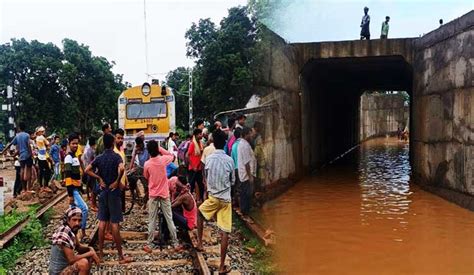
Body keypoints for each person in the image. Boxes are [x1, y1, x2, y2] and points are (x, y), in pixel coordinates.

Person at [85, 133, 132, 264]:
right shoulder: (116, 157)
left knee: (102, 222)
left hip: (103, 192)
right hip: (113, 192)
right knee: (115, 223)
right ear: (112, 143)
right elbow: (122, 168)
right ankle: (120, 256)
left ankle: (100, 254)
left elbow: (87, 170)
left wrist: (99, 178)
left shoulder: (99, 158)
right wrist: (117, 180)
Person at [197, 129, 235, 274]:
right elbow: (232, 181)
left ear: (213, 142)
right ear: (225, 143)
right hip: (225, 200)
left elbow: (205, 177)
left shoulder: (209, 158)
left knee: (199, 213)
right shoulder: (229, 160)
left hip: (212, 198)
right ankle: (221, 266)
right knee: (225, 231)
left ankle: (200, 243)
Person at [143, 140, 181, 252]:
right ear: (157, 150)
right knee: (169, 218)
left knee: (152, 220)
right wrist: (160, 149)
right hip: (164, 194)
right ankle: (175, 243)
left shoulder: (147, 164)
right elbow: (172, 155)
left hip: (153, 195)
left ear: (148, 151)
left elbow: (146, 176)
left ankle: (149, 245)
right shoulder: (163, 160)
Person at [49, 206, 100, 275]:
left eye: (79, 220)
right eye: (74, 220)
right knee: (83, 263)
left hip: (66, 268)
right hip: (58, 273)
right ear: (68, 220)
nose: (77, 223)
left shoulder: (71, 230)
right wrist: (91, 253)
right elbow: (71, 259)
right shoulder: (63, 234)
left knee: (88, 256)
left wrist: (90, 249)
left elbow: (78, 247)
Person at [64, 133, 89, 241]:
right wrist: (70, 194)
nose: (75, 145)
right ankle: (81, 231)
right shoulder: (68, 157)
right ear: (69, 144)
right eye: (73, 143)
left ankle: (71, 234)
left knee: (72, 212)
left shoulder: (74, 157)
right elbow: (68, 176)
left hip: (76, 188)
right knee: (84, 209)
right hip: (72, 189)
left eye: (77, 144)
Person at [5, 123, 33, 193]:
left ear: (19, 128)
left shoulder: (17, 136)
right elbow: (28, 145)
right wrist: (31, 154)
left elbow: (11, 144)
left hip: (21, 156)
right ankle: (28, 188)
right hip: (27, 154)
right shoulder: (27, 135)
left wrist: (3, 151)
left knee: (22, 171)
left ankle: (23, 189)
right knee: (29, 171)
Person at [237, 127, 257, 216]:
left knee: (245, 193)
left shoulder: (244, 144)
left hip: (244, 174)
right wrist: (250, 176)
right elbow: (246, 163)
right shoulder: (244, 145)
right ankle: (245, 212)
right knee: (246, 194)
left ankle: (245, 211)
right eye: (250, 133)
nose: (252, 135)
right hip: (246, 175)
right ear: (246, 135)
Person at [187, 128, 204, 203]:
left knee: (201, 185)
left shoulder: (200, 143)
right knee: (191, 185)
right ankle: (189, 201)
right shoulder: (192, 144)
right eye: (200, 134)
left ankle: (200, 200)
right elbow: (187, 155)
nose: (201, 135)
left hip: (199, 168)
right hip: (193, 169)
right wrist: (193, 166)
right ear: (196, 135)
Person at [82, 136, 97, 211]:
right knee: (92, 185)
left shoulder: (87, 150)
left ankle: (88, 196)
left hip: (87, 168)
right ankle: (92, 203)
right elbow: (92, 161)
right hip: (91, 169)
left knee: (89, 184)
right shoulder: (91, 151)